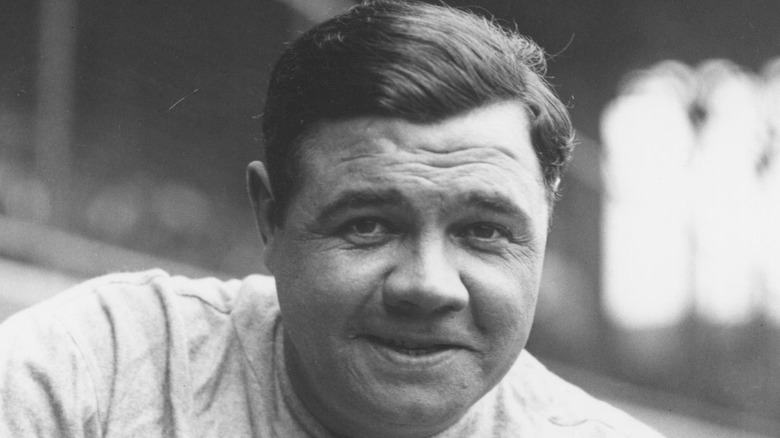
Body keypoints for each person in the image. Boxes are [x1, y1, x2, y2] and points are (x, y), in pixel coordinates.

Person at [0, 1, 664, 436]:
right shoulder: (102, 368)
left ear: (542, 235)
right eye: (368, 224)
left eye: (483, 232)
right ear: (272, 220)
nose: (428, 285)